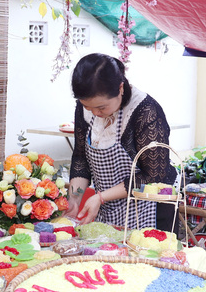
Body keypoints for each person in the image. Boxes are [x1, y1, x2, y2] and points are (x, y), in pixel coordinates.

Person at [65, 53, 178, 231]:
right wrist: (74, 199)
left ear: (120, 88)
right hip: (108, 209)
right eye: (87, 107)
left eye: (102, 107)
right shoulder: (87, 107)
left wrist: (100, 197)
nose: (95, 113)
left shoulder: (145, 111)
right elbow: (81, 158)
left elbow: (153, 176)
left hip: (149, 210)